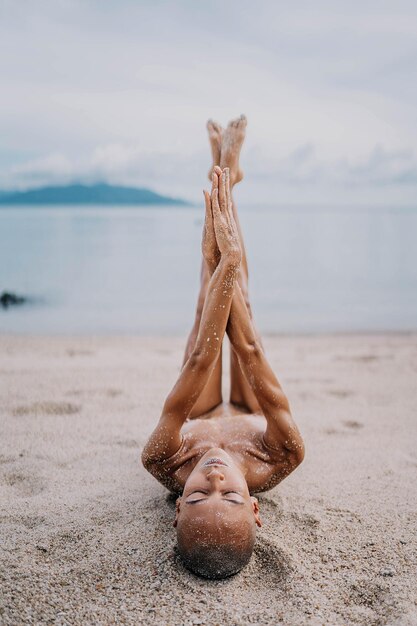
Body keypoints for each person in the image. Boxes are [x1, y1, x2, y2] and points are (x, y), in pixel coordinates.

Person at [142, 115, 304, 579]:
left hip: (203, 407)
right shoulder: (282, 455)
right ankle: (228, 178)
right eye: (229, 495)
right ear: (255, 508)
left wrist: (216, 261)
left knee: (203, 310)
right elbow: (249, 347)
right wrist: (229, 261)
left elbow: (200, 357)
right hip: (254, 411)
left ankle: (224, 178)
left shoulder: (160, 459)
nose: (214, 479)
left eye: (196, 496)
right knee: (242, 301)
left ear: (176, 510)